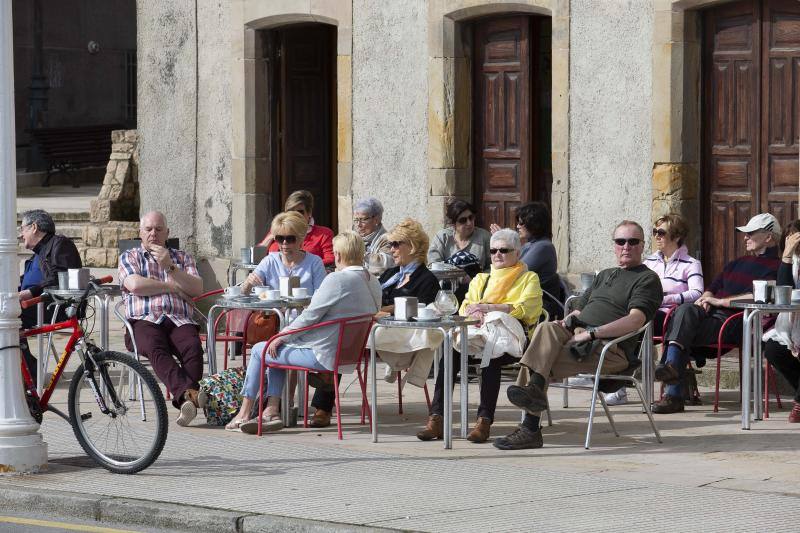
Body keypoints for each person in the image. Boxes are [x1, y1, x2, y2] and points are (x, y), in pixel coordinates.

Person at [492, 220, 662, 450]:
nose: (626, 246)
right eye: (621, 241)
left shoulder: (647, 279)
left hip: (610, 348)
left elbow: (635, 320)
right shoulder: (604, 275)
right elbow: (580, 309)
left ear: (643, 245)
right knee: (546, 328)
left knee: (538, 362)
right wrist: (567, 321)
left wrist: (592, 334)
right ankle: (534, 397)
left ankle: (530, 426)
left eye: (633, 242)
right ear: (614, 245)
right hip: (578, 336)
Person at [236, 231, 381, 435]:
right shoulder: (372, 280)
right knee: (277, 348)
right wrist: (283, 338)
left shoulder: (336, 279)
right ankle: (271, 410)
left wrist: (281, 336)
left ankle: (244, 412)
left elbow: (310, 315)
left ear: (337, 255)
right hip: (351, 354)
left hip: (325, 354)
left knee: (263, 348)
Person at [417, 229, 543, 444]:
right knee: (450, 353)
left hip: (512, 339)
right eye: (493, 250)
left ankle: (484, 421)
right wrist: (479, 311)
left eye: (504, 250)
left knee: (491, 357)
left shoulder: (528, 277)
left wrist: (488, 308)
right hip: (479, 334)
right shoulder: (482, 279)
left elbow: (528, 309)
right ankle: (436, 418)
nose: (497, 255)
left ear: (517, 253)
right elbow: (466, 305)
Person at [654, 213, 781, 414]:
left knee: (681, 319)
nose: (745, 237)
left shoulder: (778, 267)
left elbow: (761, 296)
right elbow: (712, 287)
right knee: (684, 311)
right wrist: (705, 298)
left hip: (735, 321)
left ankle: (673, 391)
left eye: (751, 233)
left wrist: (720, 301)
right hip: (708, 318)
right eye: (745, 234)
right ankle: (672, 370)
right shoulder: (736, 263)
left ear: (769, 237)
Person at [224, 211, 326, 430]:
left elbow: (321, 303)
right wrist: (248, 283)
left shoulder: (314, 263)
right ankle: (272, 409)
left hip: (304, 329)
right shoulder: (270, 260)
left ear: (301, 238)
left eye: (290, 238)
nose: (285, 244)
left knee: (268, 348)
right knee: (273, 346)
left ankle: (250, 410)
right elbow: (244, 292)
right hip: (275, 326)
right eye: (280, 238)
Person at [604, 213, 704, 406]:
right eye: (654, 232)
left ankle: (667, 374)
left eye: (661, 232)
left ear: (676, 236)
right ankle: (617, 386)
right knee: (623, 327)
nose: (656, 236)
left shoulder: (691, 264)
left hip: (673, 316)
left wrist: (667, 298)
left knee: (674, 318)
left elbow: (697, 292)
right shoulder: (649, 262)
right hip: (650, 314)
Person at [119, 211, 205, 426]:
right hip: (143, 319)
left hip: (178, 318)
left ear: (167, 232)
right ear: (140, 233)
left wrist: (170, 267)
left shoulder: (182, 258)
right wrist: (171, 286)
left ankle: (186, 401)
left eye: (158, 229)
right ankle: (190, 395)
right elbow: (135, 285)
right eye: (148, 229)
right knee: (156, 348)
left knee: (193, 347)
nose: (153, 234)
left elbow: (196, 288)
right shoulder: (130, 257)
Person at [372, 219, 443, 390]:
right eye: (390, 245)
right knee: (339, 334)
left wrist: (379, 311)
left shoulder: (427, 279)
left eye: (396, 244)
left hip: (403, 338)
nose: (391, 250)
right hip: (378, 327)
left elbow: (415, 311)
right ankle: (325, 398)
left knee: (341, 338)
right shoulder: (392, 273)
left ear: (412, 246)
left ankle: (325, 396)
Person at [18, 209, 82, 381]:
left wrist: (28, 293)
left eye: (22, 228)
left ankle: (29, 371)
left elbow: (59, 278)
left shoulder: (60, 244)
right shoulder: (39, 252)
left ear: (34, 227)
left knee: (9, 315)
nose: (20, 234)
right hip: (42, 304)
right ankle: (23, 368)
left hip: (58, 306)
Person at [761, 219, 800, 423]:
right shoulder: (791, 262)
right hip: (793, 324)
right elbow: (784, 291)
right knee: (773, 350)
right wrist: (786, 257)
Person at [258, 190, 335, 266]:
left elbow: (330, 259)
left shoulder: (324, 234)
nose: (295, 216)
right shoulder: (278, 230)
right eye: (290, 212)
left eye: (299, 212)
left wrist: (304, 265)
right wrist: (272, 235)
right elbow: (257, 257)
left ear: (309, 212)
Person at [513, 202, 562, 320]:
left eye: (521, 223)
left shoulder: (543, 247)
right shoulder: (530, 244)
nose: (517, 226)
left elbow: (516, 272)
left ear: (534, 224)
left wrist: (505, 241)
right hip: (525, 299)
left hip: (539, 305)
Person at [428, 199, 491, 275]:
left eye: (471, 217)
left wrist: (476, 277)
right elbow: (434, 265)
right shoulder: (442, 237)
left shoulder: (484, 236)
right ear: (453, 223)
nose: (469, 223)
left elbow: (493, 267)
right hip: (447, 284)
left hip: (478, 284)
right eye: (463, 220)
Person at [353, 197, 394, 274]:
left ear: (376, 220)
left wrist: (359, 253)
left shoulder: (386, 239)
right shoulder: (355, 238)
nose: (358, 225)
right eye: (356, 220)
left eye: (363, 220)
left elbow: (384, 264)